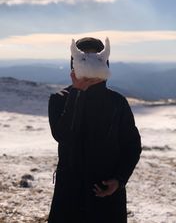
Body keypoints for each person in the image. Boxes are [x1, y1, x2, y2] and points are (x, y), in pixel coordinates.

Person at [47, 37, 142, 223]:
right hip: (70, 192)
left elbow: (132, 144)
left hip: (106, 191)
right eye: (85, 57)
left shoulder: (117, 102)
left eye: (95, 56)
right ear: (74, 63)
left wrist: (119, 179)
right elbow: (63, 136)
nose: (90, 62)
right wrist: (77, 93)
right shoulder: (60, 99)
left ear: (104, 62)